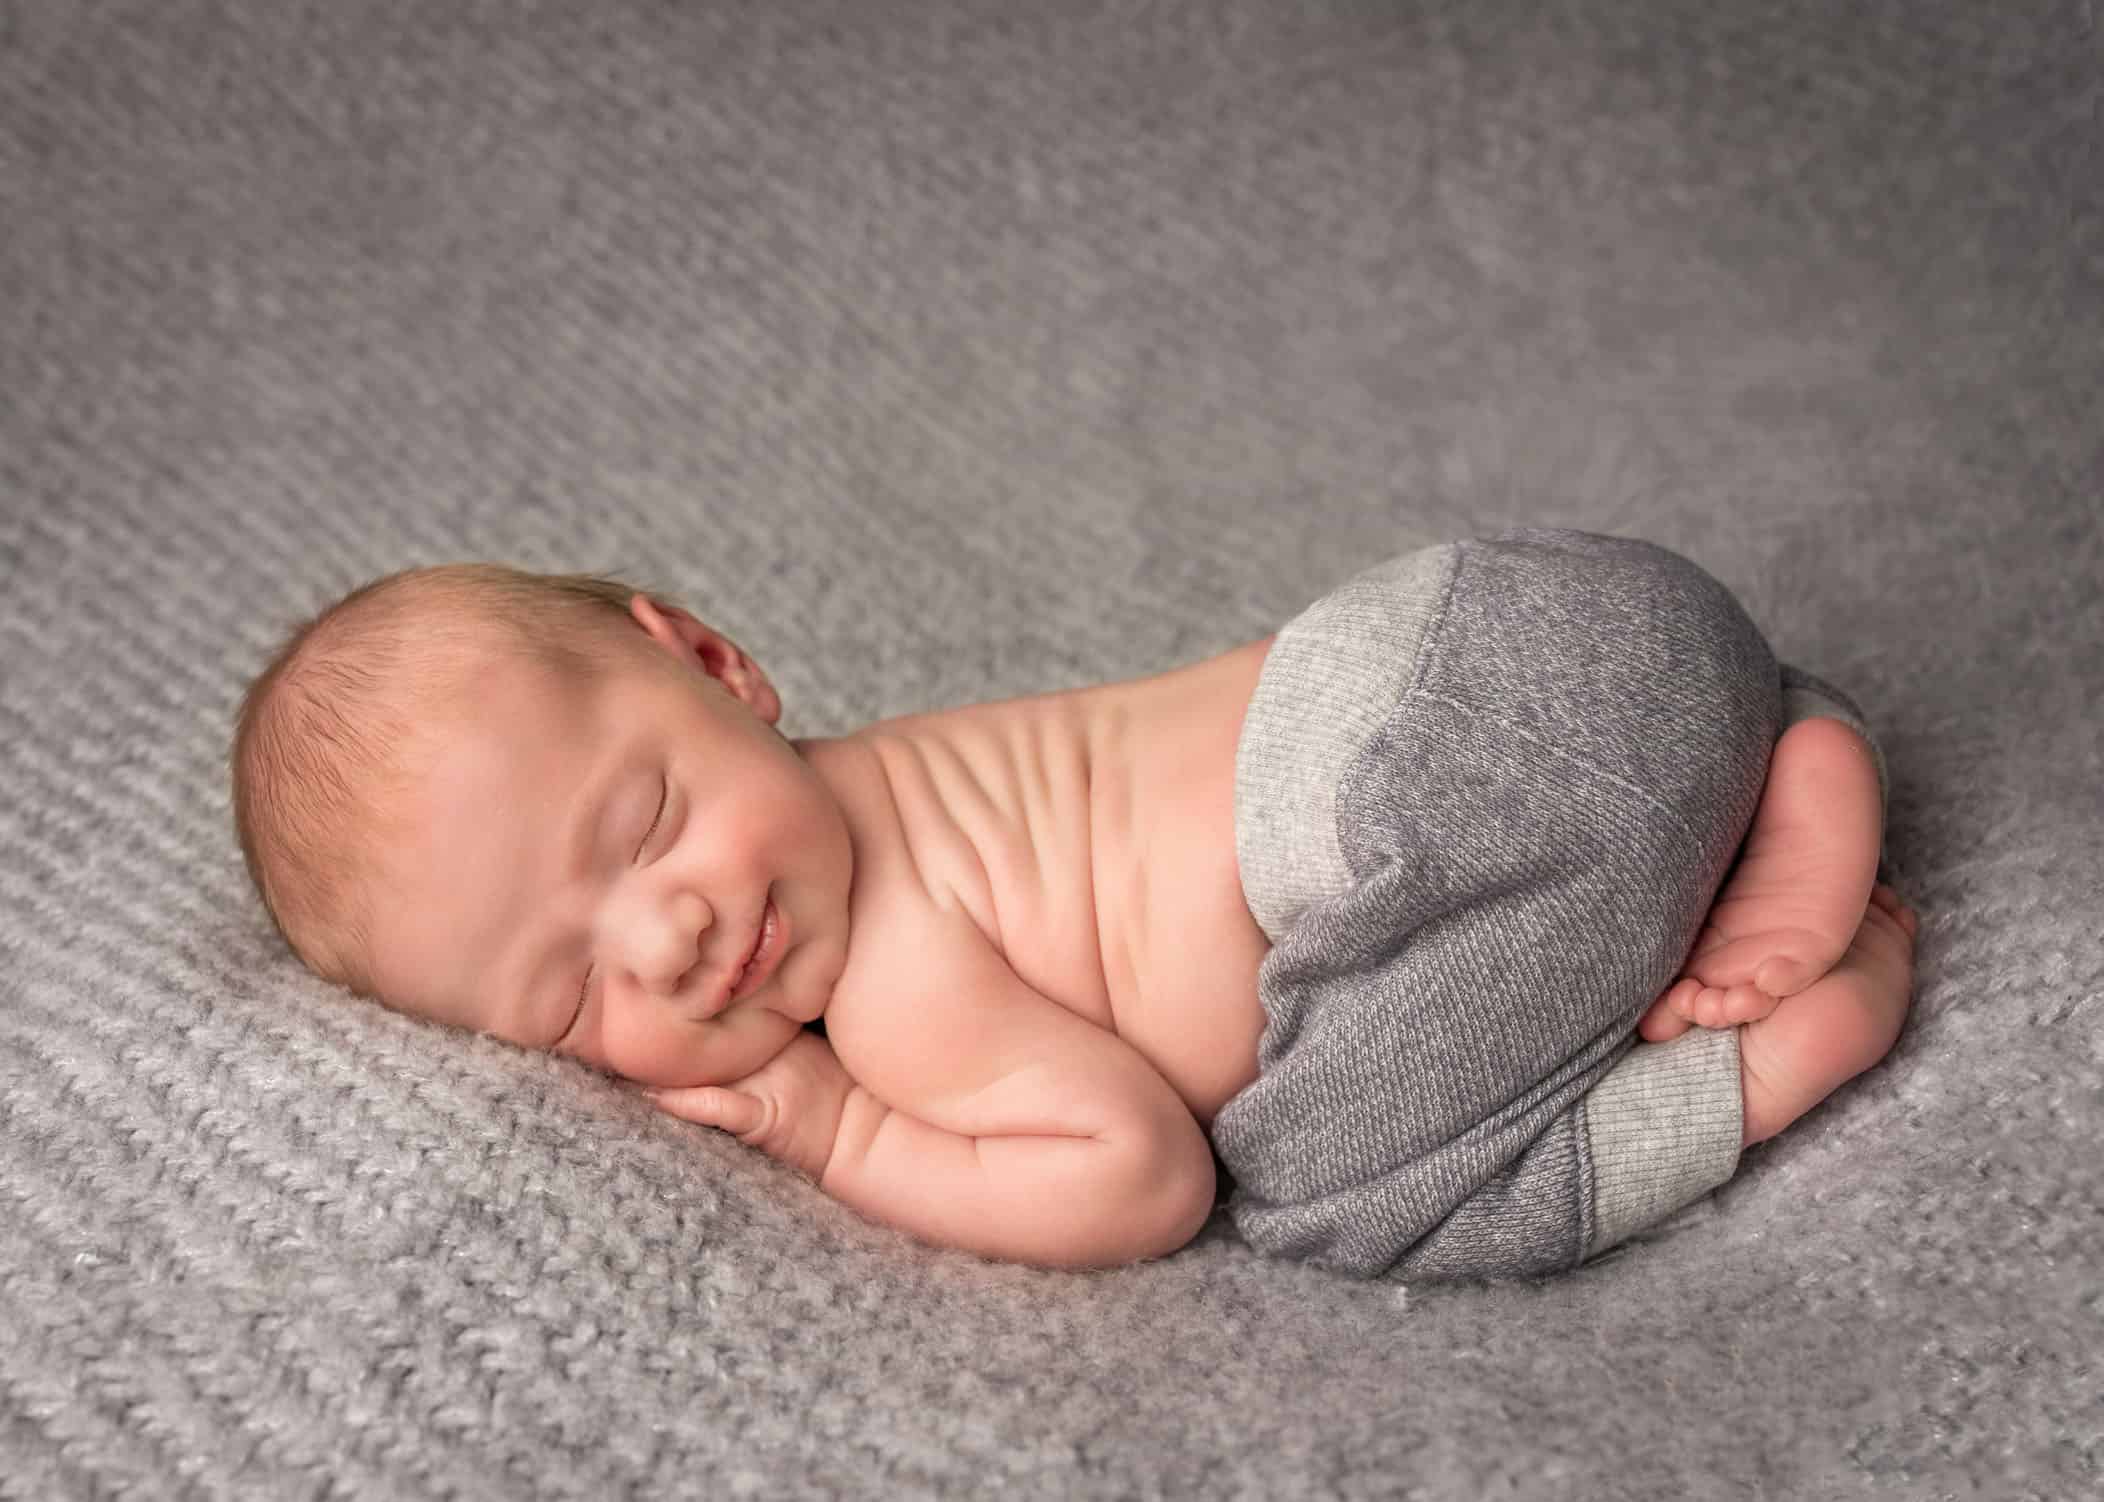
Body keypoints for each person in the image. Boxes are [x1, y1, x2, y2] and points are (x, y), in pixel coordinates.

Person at [230, 529, 1915, 1281]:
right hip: (1550, 607)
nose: (663, 935)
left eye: (647, 821)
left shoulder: (892, 982)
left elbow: (1143, 1173)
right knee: (1634, 753)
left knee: (1335, 1188)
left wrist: (837, 1134)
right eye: (566, 993)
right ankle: (1791, 746)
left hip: (1429, 803)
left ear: (716, 663)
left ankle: (1767, 1058)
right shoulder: (899, 767)